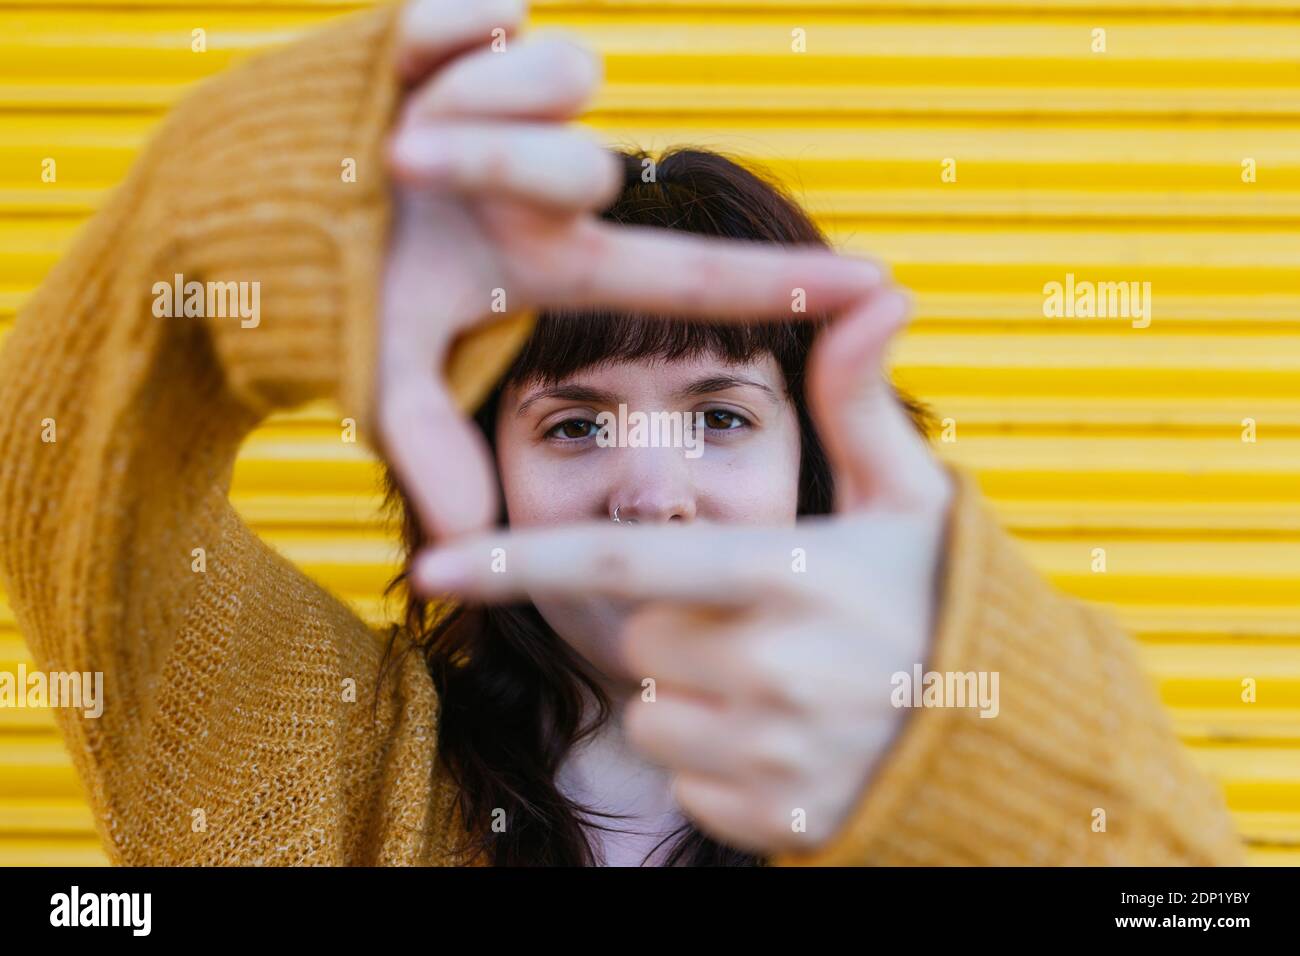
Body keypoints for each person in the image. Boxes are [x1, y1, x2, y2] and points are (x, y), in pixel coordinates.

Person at [0, 0, 1243, 866]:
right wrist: (230, 235)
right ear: (473, 470)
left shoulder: (930, 781)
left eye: (720, 416)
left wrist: (990, 774)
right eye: (573, 423)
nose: (653, 497)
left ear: (812, 458)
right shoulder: (321, 745)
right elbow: (47, 469)